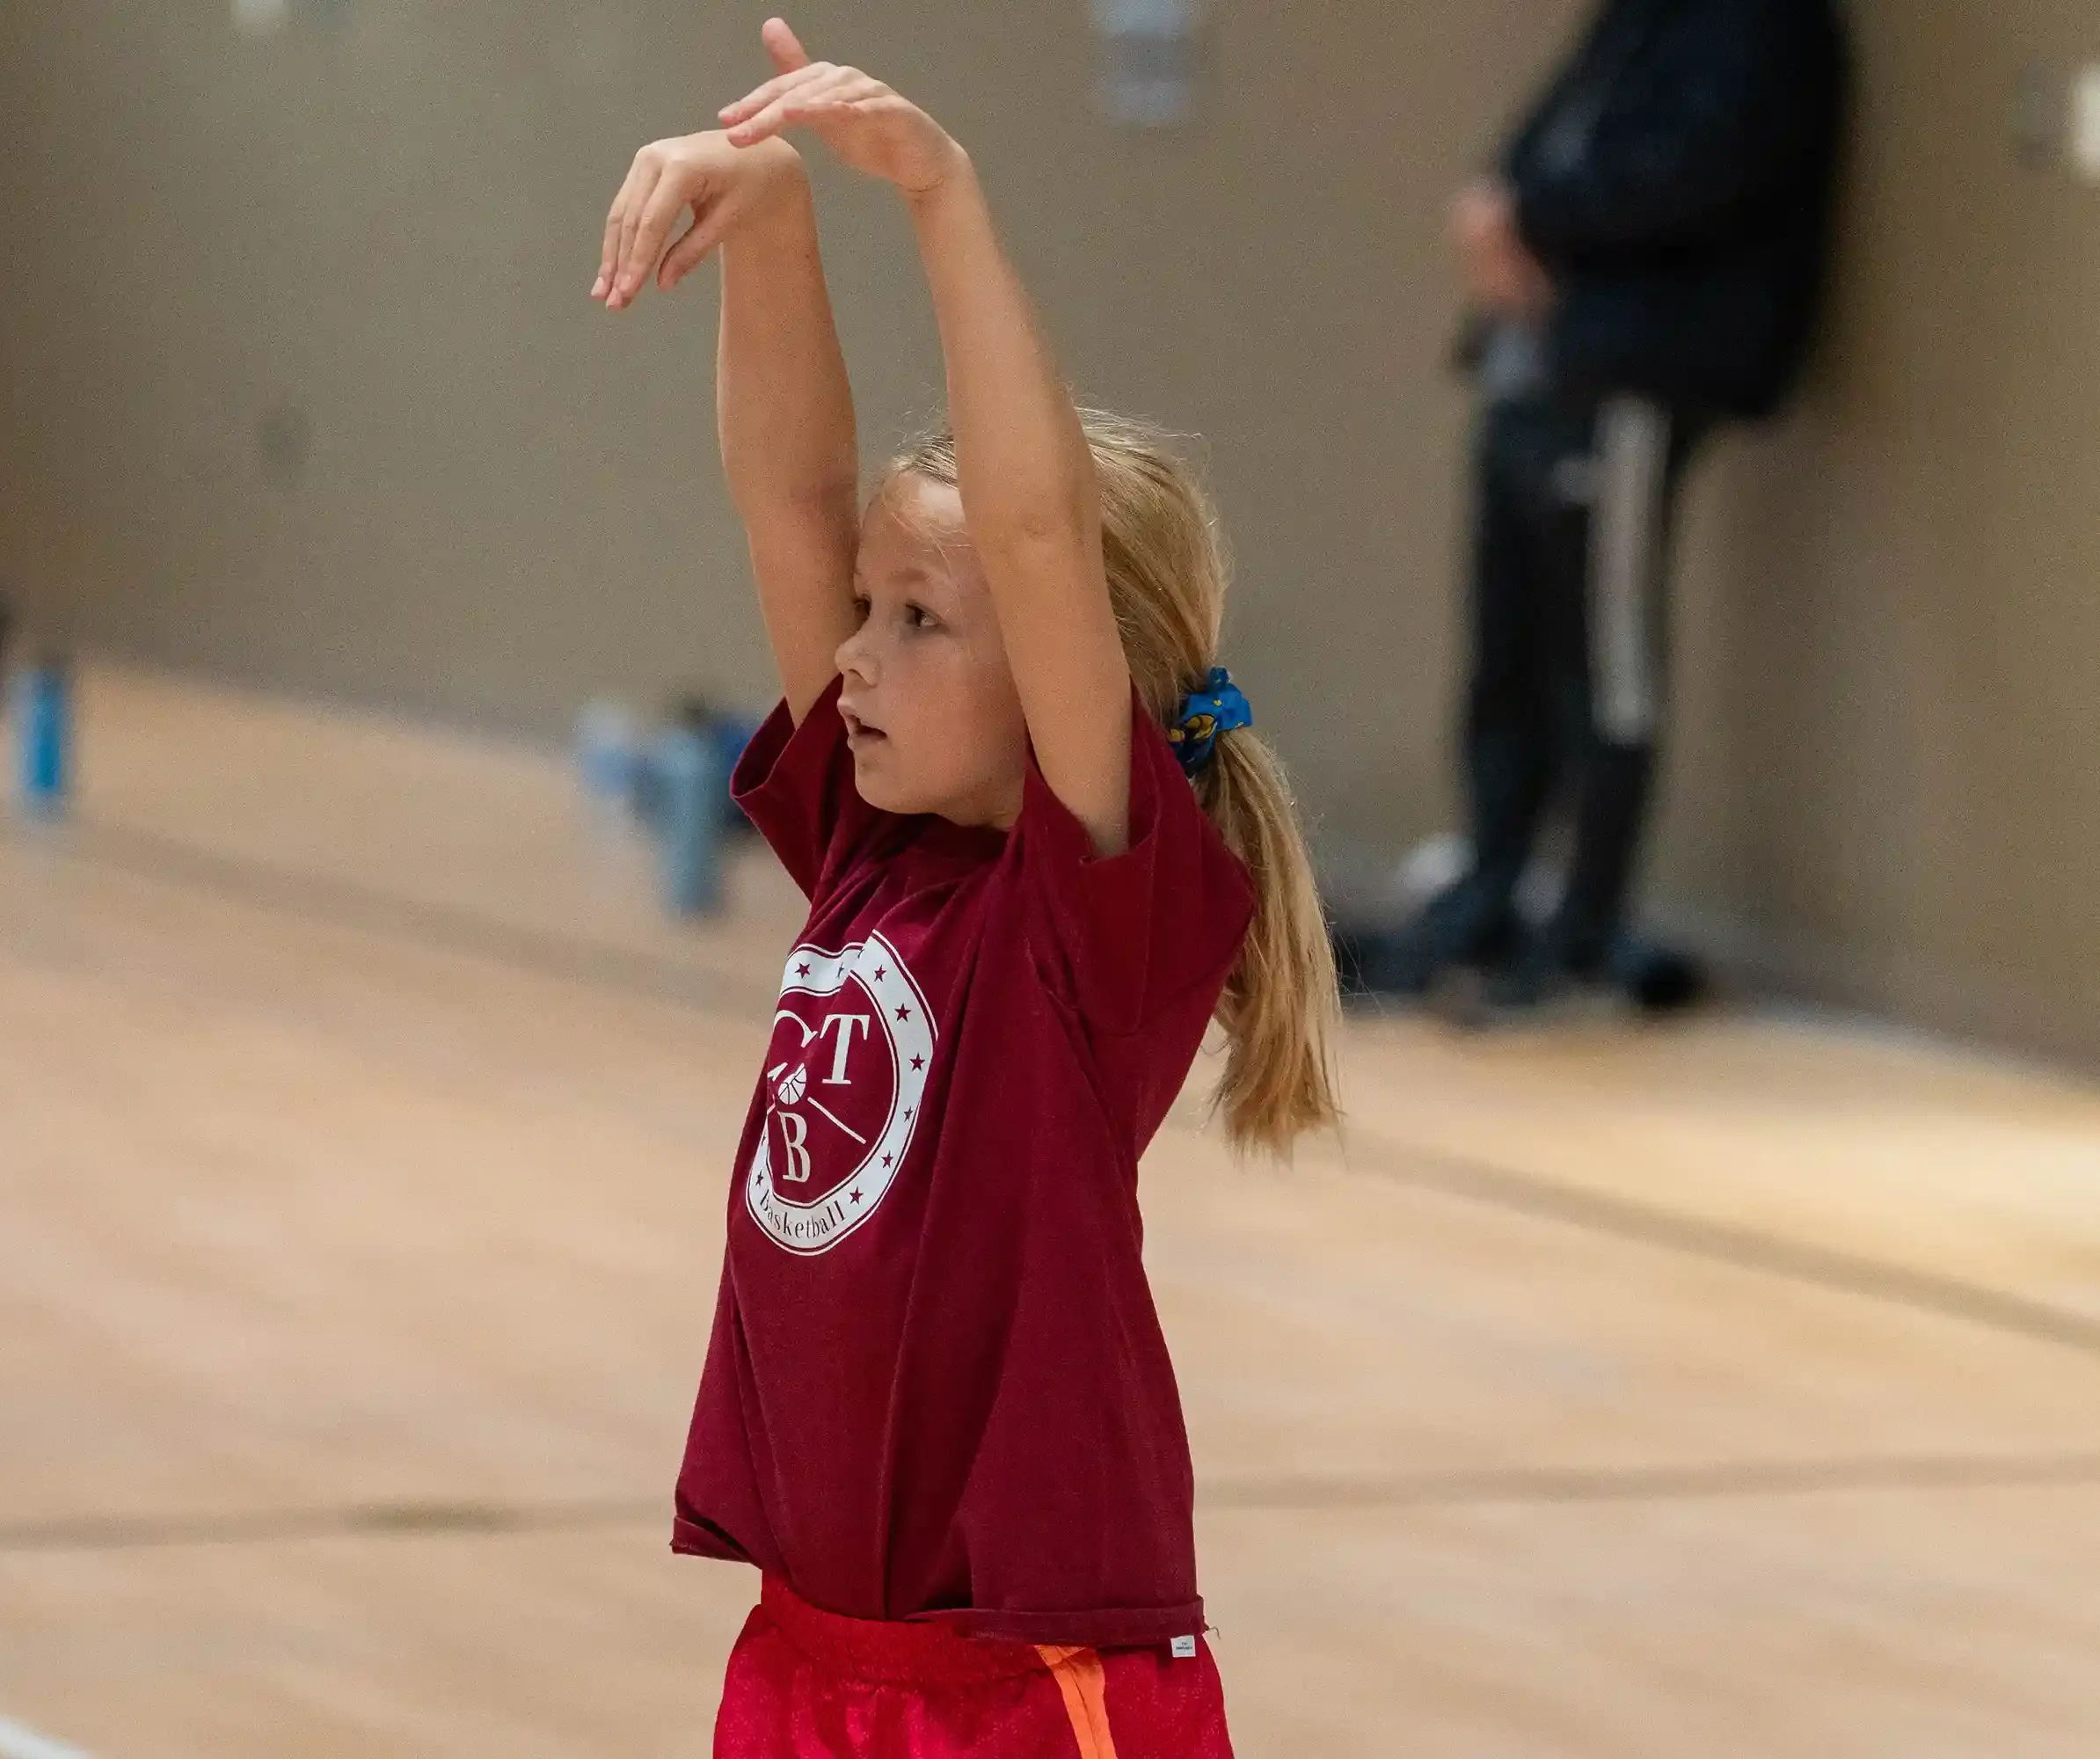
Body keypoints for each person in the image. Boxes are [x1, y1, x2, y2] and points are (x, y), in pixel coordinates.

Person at [591, 19, 1340, 1754]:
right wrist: (768, 224)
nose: (850, 656)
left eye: (915, 623)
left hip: (1024, 1695)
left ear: (1085, 667)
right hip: (805, 1661)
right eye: (867, 610)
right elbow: (790, 499)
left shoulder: (1088, 922)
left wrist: (939, 195)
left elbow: (1025, 533)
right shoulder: (867, 851)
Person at [1375, 0, 1848, 1008]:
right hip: (1534, 367)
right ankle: (1491, 896)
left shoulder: (1760, 28)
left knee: (1605, 661)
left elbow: (1689, 174)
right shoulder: (1633, 19)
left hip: (1632, 374)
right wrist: (1496, 213)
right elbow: (1533, 153)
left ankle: (1583, 930)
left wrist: (1531, 215)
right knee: (1505, 657)